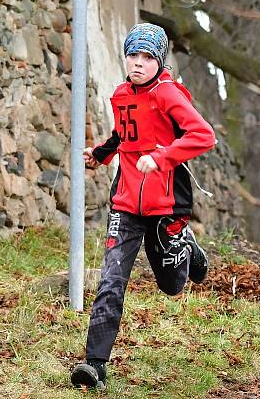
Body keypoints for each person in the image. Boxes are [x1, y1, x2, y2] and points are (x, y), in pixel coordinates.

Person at [70, 23, 217, 390]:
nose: (137, 63)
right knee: (111, 280)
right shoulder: (121, 94)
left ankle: (186, 246)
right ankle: (95, 365)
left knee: (170, 284)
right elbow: (125, 133)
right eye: (132, 55)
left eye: (147, 57)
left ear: (159, 61)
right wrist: (100, 155)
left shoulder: (168, 94)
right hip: (126, 203)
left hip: (166, 201)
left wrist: (164, 156)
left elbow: (203, 135)